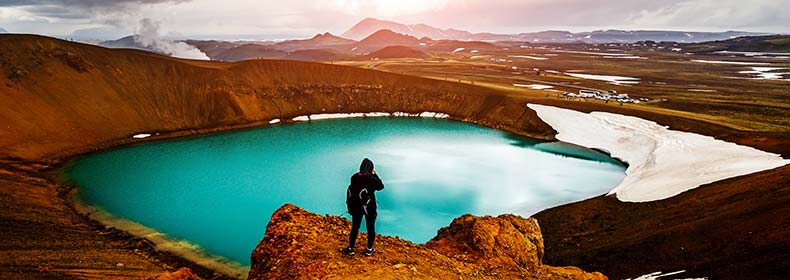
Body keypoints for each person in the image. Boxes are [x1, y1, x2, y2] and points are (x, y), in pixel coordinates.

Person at [342, 158, 384, 256]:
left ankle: (351, 248)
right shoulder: (371, 178)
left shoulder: (354, 177)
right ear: (371, 168)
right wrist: (375, 174)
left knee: (355, 227)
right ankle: (369, 249)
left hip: (356, 206)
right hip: (370, 207)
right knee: (370, 227)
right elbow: (381, 186)